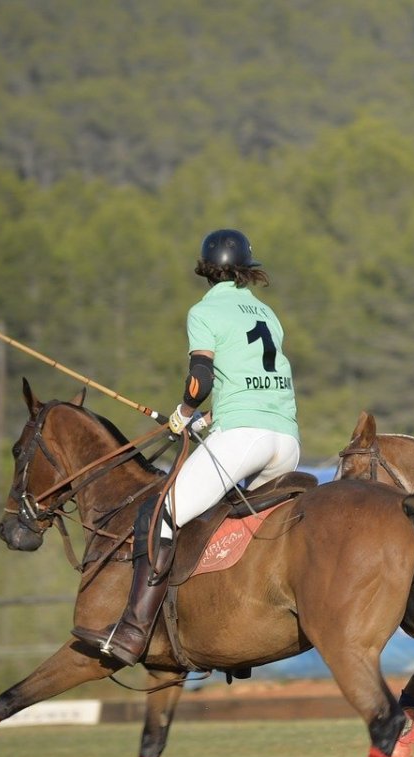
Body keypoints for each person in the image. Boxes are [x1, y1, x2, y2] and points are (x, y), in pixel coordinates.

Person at [73, 228, 301, 665]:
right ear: (245, 266)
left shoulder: (204, 311)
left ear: (205, 268)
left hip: (244, 439)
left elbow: (203, 377)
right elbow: (258, 379)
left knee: (161, 513)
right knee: (232, 523)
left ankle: (133, 630)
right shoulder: (267, 313)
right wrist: (210, 418)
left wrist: (185, 409)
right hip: (286, 440)